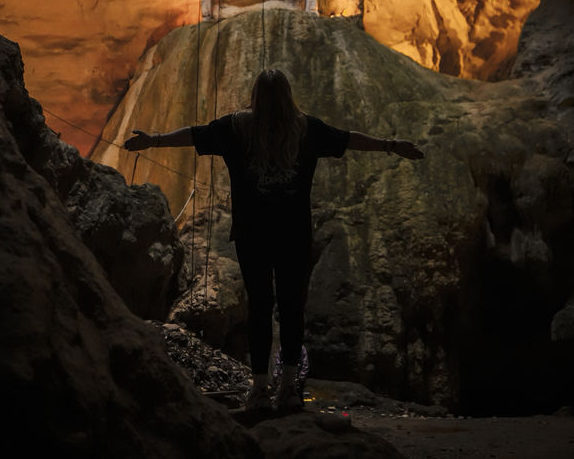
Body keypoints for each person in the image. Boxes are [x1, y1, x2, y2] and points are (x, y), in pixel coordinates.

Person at [124, 68, 424, 412]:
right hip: (293, 235)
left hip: (253, 234)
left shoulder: (237, 128)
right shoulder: (306, 129)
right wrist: (390, 146)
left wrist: (154, 140)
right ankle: (289, 387)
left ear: (255, 96)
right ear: (288, 95)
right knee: (292, 307)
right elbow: (348, 138)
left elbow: (194, 135)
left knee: (261, 307)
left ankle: (260, 386)